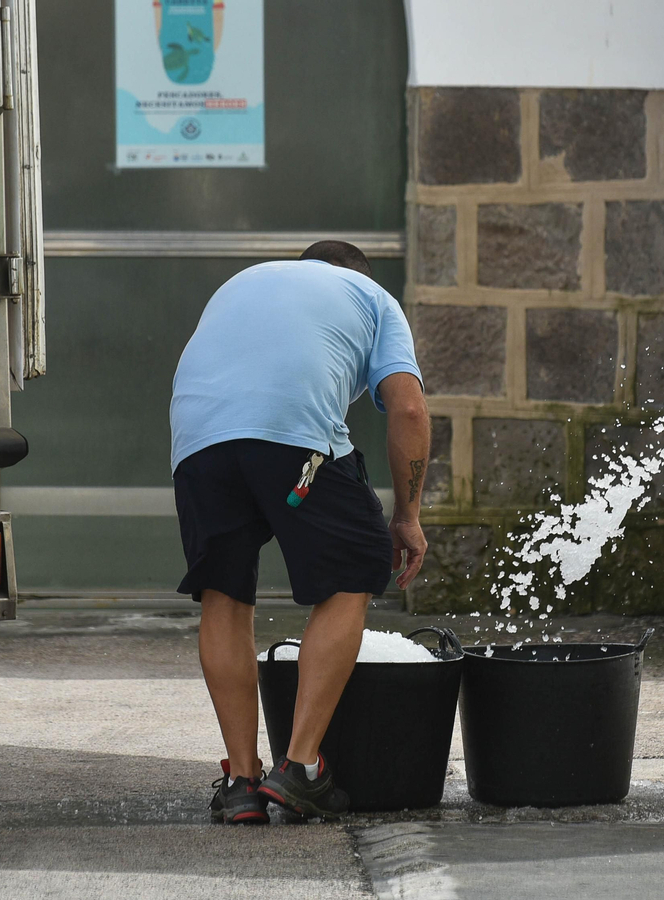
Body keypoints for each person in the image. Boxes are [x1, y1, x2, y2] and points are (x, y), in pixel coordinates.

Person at [168, 240, 429, 824]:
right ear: (354, 274)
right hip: (294, 438)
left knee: (224, 593)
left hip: (197, 441)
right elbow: (409, 411)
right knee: (355, 572)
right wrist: (407, 516)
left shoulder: (246, 280)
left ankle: (240, 782)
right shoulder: (373, 297)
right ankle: (301, 768)